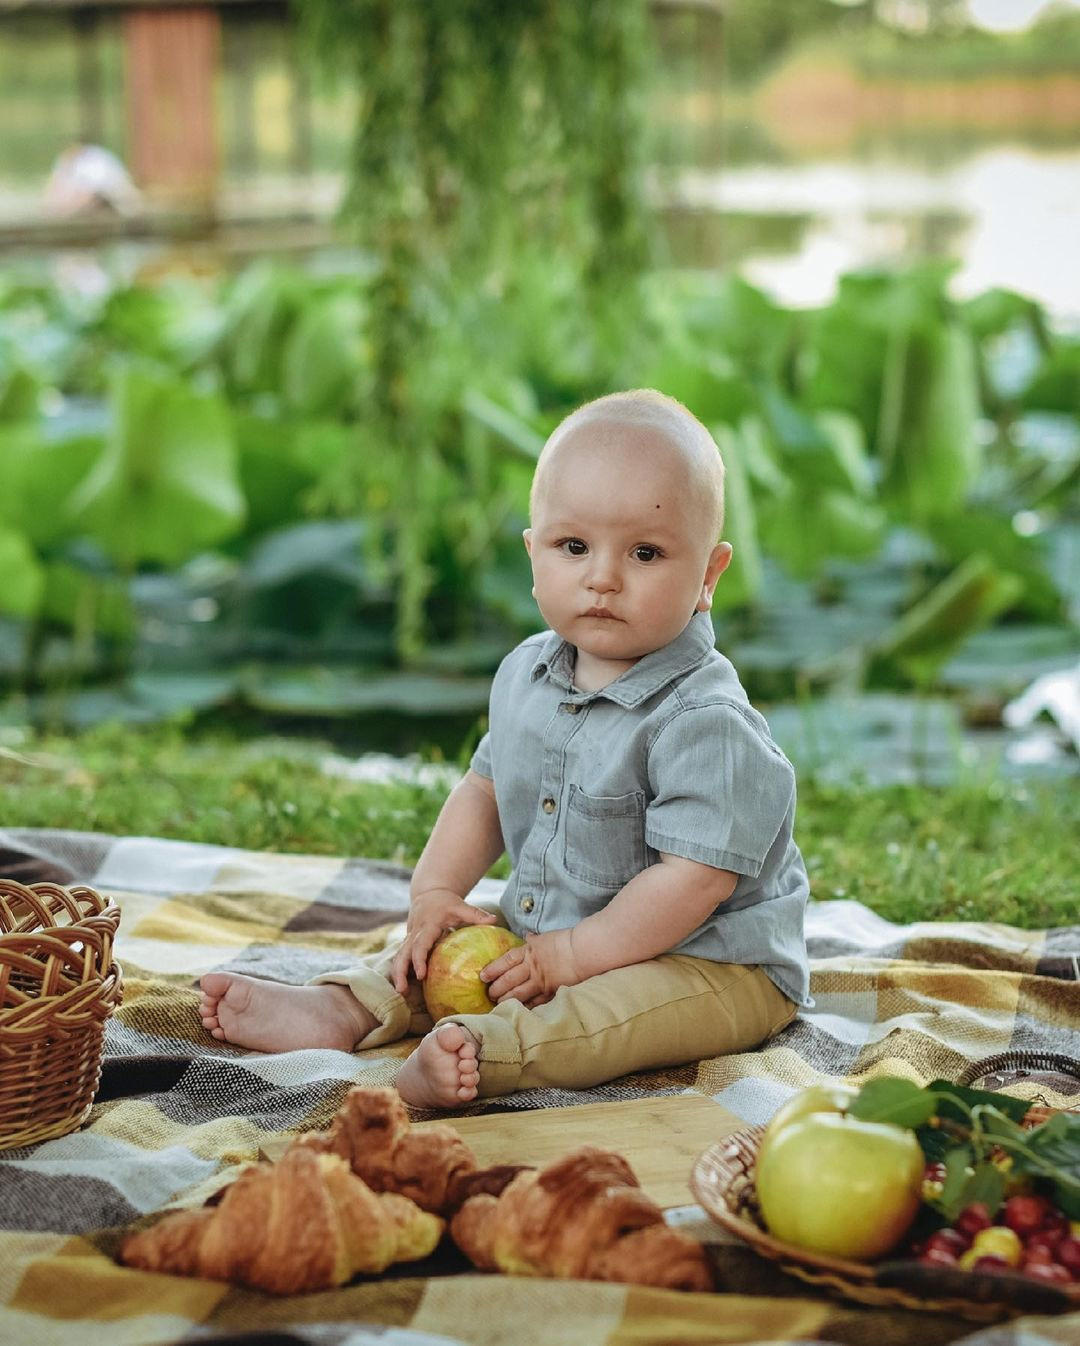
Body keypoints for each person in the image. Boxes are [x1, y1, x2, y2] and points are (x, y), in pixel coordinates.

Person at [200, 389, 811, 1109]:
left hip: (709, 961)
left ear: (709, 574)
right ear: (534, 552)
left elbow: (692, 882)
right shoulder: (526, 674)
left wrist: (577, 957)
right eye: (573, 547)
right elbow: (483, 792)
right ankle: (349, 1008)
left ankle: (491, 1056)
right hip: (559, 924)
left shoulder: (705, 721)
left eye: (645, 553)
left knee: (605, 1016)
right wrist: (434, 894)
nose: (603, 577)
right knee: (454, 955)